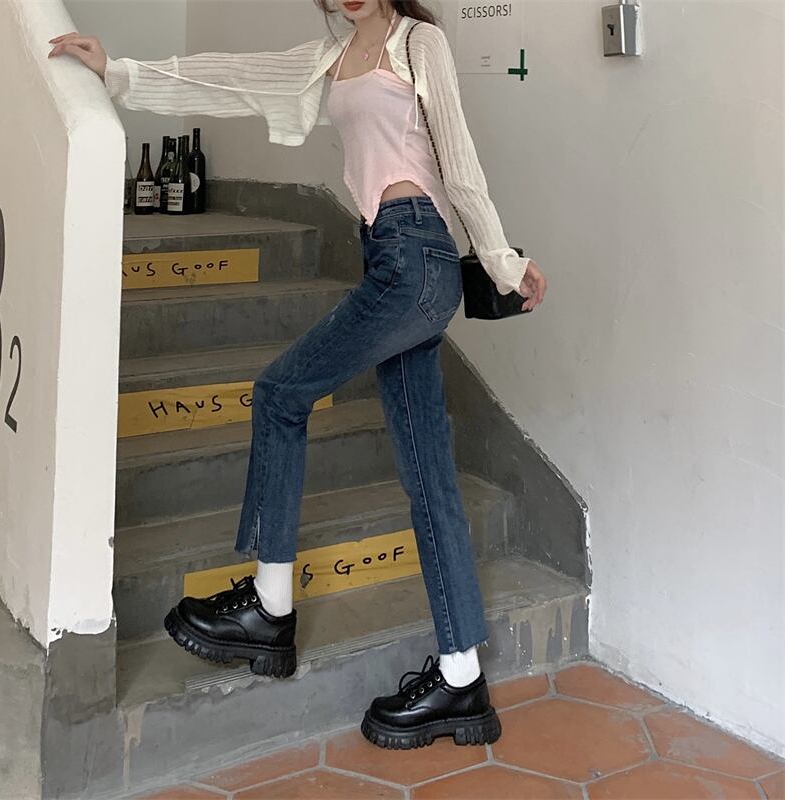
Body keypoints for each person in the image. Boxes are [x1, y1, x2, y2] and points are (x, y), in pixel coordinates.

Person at [48, 0, 547, 750]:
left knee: (280, 393)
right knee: (429, 475)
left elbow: (461, 164)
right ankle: (461, 677)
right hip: (388, 257)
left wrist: (505, 264)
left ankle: (270, 607)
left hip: (415, 258)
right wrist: (118, 71)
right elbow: (231, 79)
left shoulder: (422, 43)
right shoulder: (329, 58)